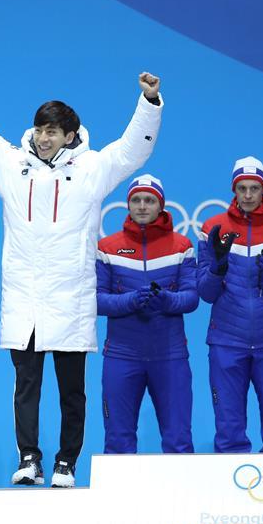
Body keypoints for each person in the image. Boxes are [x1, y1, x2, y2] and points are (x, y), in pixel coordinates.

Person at [0, 51, 163, 487]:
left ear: (70, 135)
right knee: (26, 385)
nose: (45, 138)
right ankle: (29, 457)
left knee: (71, 389)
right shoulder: (13, 165)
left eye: (53, 132)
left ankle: (67, 460)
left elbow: (133, 150)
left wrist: (149, 104)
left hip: (69, 293)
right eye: (41, 130)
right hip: (24, 295)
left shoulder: (92, 169)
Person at [197, 157, 263, 452]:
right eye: (242, 188)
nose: (249, 195)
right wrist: (217, 268)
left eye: (254, 188)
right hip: (227, 340)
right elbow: (206, 293)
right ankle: (230, 494)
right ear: (234, 190)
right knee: (228, 428)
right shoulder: (213, 228)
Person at [96, 175, 197, 454]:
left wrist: (165, 300)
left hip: (170, 356)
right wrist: (130, 301)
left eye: (149, 200)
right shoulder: (108, 247)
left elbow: (191, 298)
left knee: (178, 439)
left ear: (161, 205)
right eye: (136, 200)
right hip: (121, 356)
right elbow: (96, 301)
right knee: (118, 439)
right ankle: (118, 499)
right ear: (128, 205)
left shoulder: (182, 246)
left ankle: (182, 498)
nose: (142, 206)